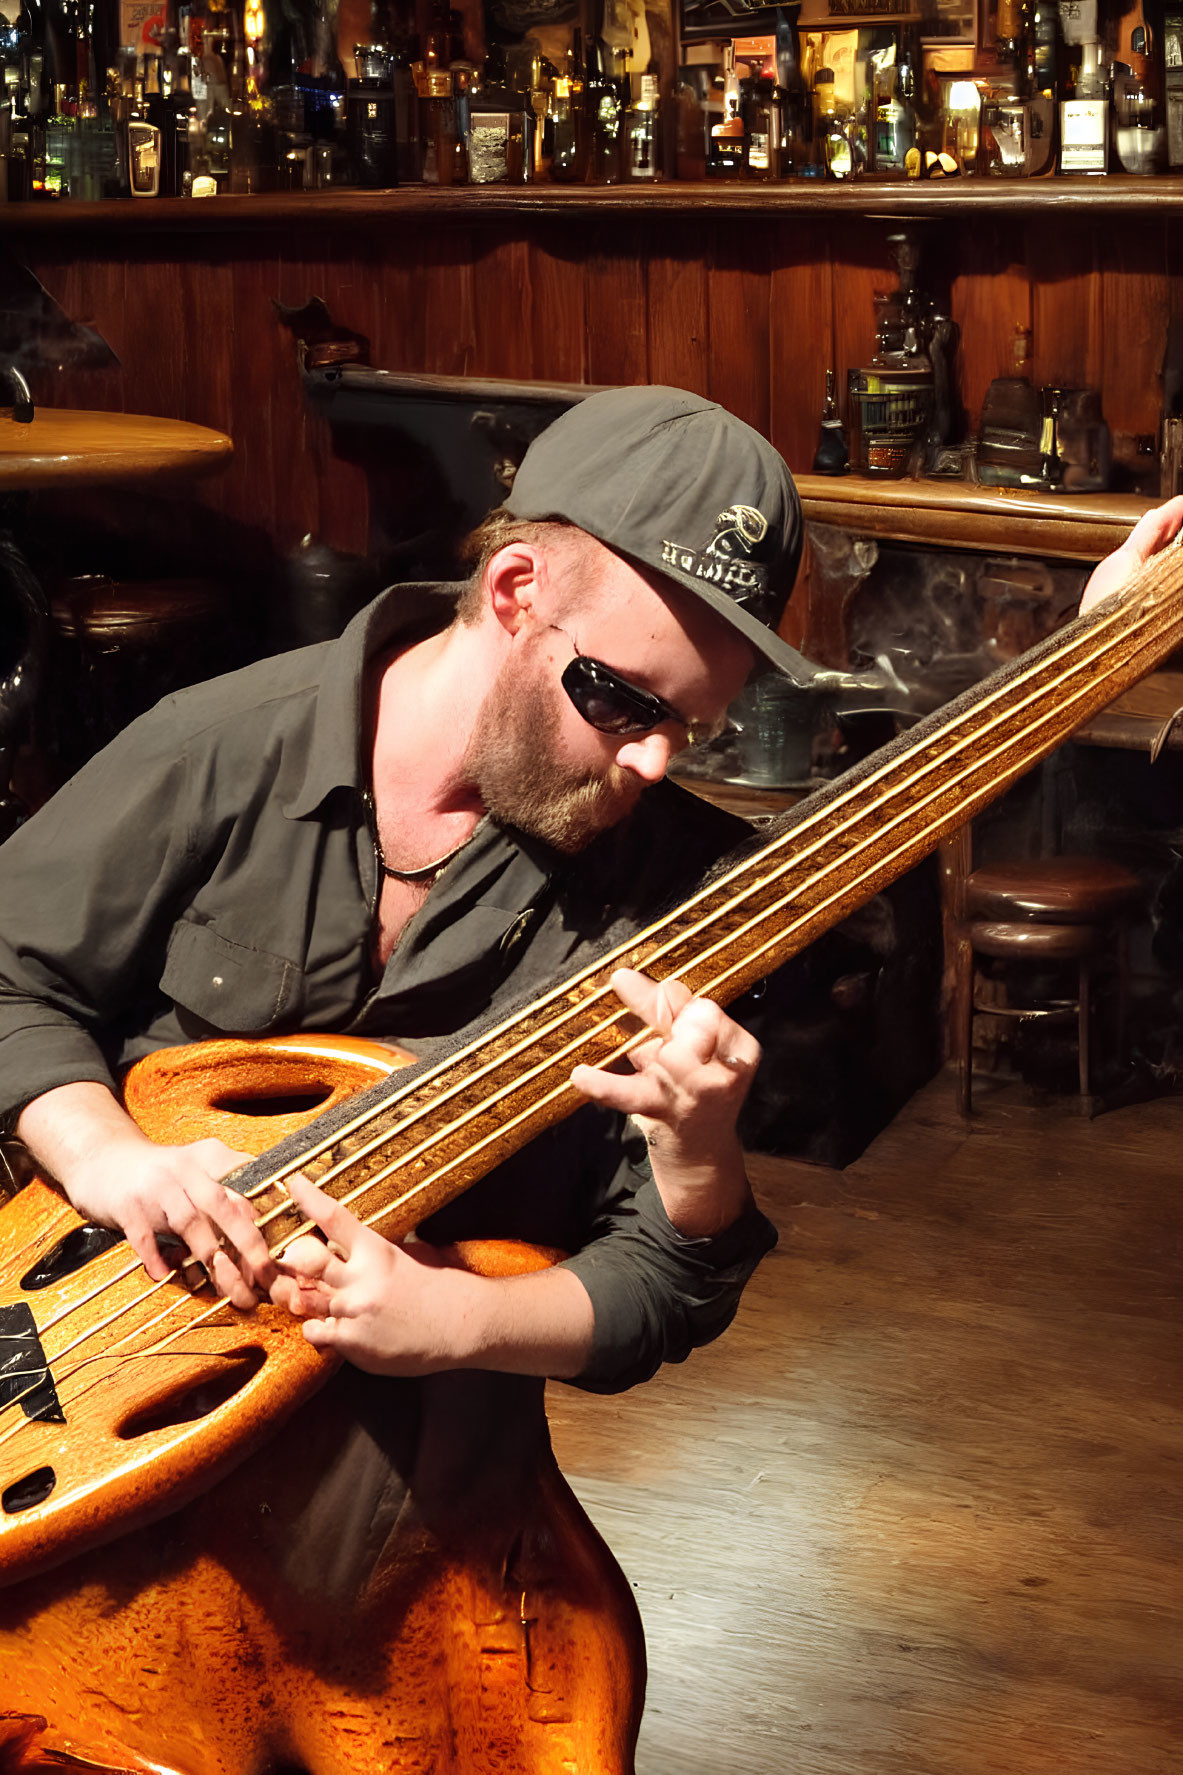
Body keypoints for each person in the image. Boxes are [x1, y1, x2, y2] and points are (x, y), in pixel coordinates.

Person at [0, 386, 822, 1772]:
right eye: (623, 701)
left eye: (697, 725)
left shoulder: (674, 898)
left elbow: (667, 1287)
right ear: (512, 592)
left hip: (393, 1526)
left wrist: (464, 1317)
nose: (653, 761)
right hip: (74, 1381)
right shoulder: (224, 745)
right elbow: (11, 969)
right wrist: (109, 1156)